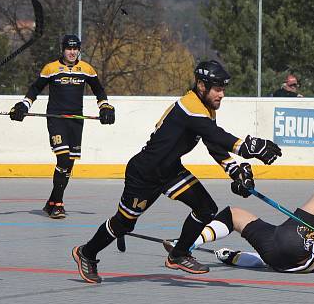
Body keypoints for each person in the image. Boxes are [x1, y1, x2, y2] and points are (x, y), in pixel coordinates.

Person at [71, 60, 283, 284]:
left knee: (206, 208)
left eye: (223, 89)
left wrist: (234, 170)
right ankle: (86, 253)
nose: (222, 94)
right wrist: (249, 147)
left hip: (170, 170)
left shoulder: (205, 109)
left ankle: (179, 254)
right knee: (123, 224)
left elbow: (213, 144)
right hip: (145, 172)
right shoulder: (189, 107)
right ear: (201, 86)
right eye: (217, 88)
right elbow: (219, 136)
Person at [162, 122, 314, 274]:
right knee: (233, 214)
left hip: (285, 243)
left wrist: (232, 257)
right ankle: (184, 244)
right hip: (276, 254)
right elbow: (258, 260)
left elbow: (253, 260)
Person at [8, 34, 115, 219]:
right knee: (63, 159)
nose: (72, 52)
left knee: (68, 163)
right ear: (62, 49)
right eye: (69, 48)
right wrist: (23, 106)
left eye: (75, 49)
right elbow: (35, 88)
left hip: (76, 120)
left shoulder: (86, 69)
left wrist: (105, 106)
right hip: (56, 119)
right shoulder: (51, 68)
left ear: (79, 50)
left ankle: (51, 202)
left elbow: (99, 90)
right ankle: (58, 205)